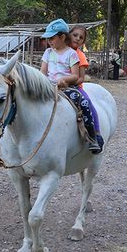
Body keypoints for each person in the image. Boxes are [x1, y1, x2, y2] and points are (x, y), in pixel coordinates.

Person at [39, 19, 101, 153]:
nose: (49, 41)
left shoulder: (72, 54)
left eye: (52, 38)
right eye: (48, 38)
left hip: (67, 87)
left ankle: (92, 136)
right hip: (48, 86)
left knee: (84, 102)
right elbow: (42, 73)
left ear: (62, 37)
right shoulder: (48, 53)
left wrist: (64, 80)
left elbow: (76, 76)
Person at [68, 25, 104, 151]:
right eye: (75, 35)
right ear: (69, 34)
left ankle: (96, 133)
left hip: (75, 86)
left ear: (83, 42)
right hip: (56, 85)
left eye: (81, 38)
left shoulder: (80, 55)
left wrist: (68, 83)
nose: (77, 39)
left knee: (87, 102)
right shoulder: (60, 51)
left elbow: (81, 78)